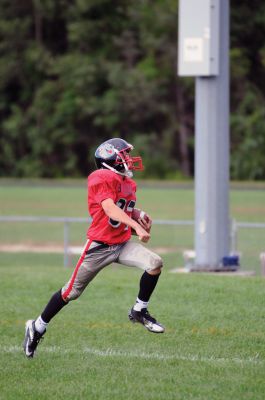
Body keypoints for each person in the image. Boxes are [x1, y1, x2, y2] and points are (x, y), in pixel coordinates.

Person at [23, 138, 165, 358]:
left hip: (121, 243)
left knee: (155, 263)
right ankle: (38, 326)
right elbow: (109, 209)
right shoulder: (101, 176)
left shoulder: (127, 183)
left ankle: (139, 310)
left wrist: (139, 216)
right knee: (71, 292)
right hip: (99, 247)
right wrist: (137, 225)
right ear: (111, 159)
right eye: (124, 155)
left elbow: (122, 212)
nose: (128, 159)